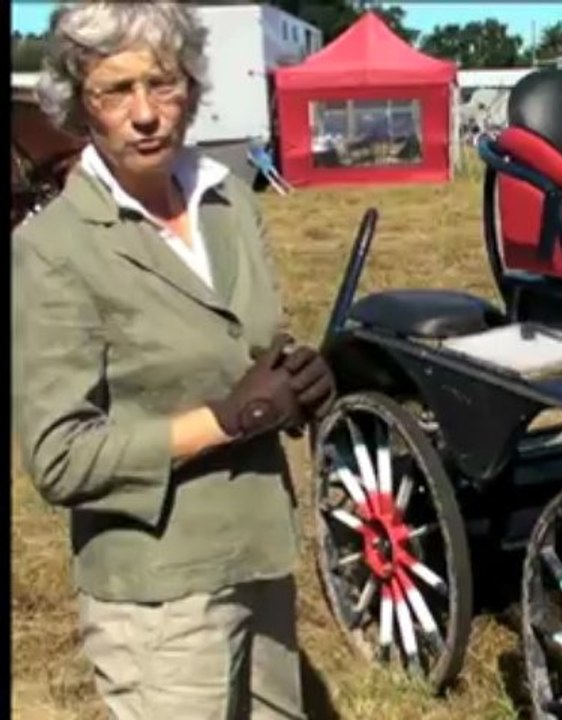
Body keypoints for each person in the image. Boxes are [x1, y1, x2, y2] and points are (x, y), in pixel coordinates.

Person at [11, 3, 335, 718]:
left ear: (189, 84)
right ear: (80, 106)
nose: (145, 113)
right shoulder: (56, 248)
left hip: (259, 558)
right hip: (158, 597)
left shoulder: (228, 202)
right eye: (115, 91)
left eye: (161, 84)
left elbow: (250, 345)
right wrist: (226, 419)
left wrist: (301, 379)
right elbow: (59, 458)